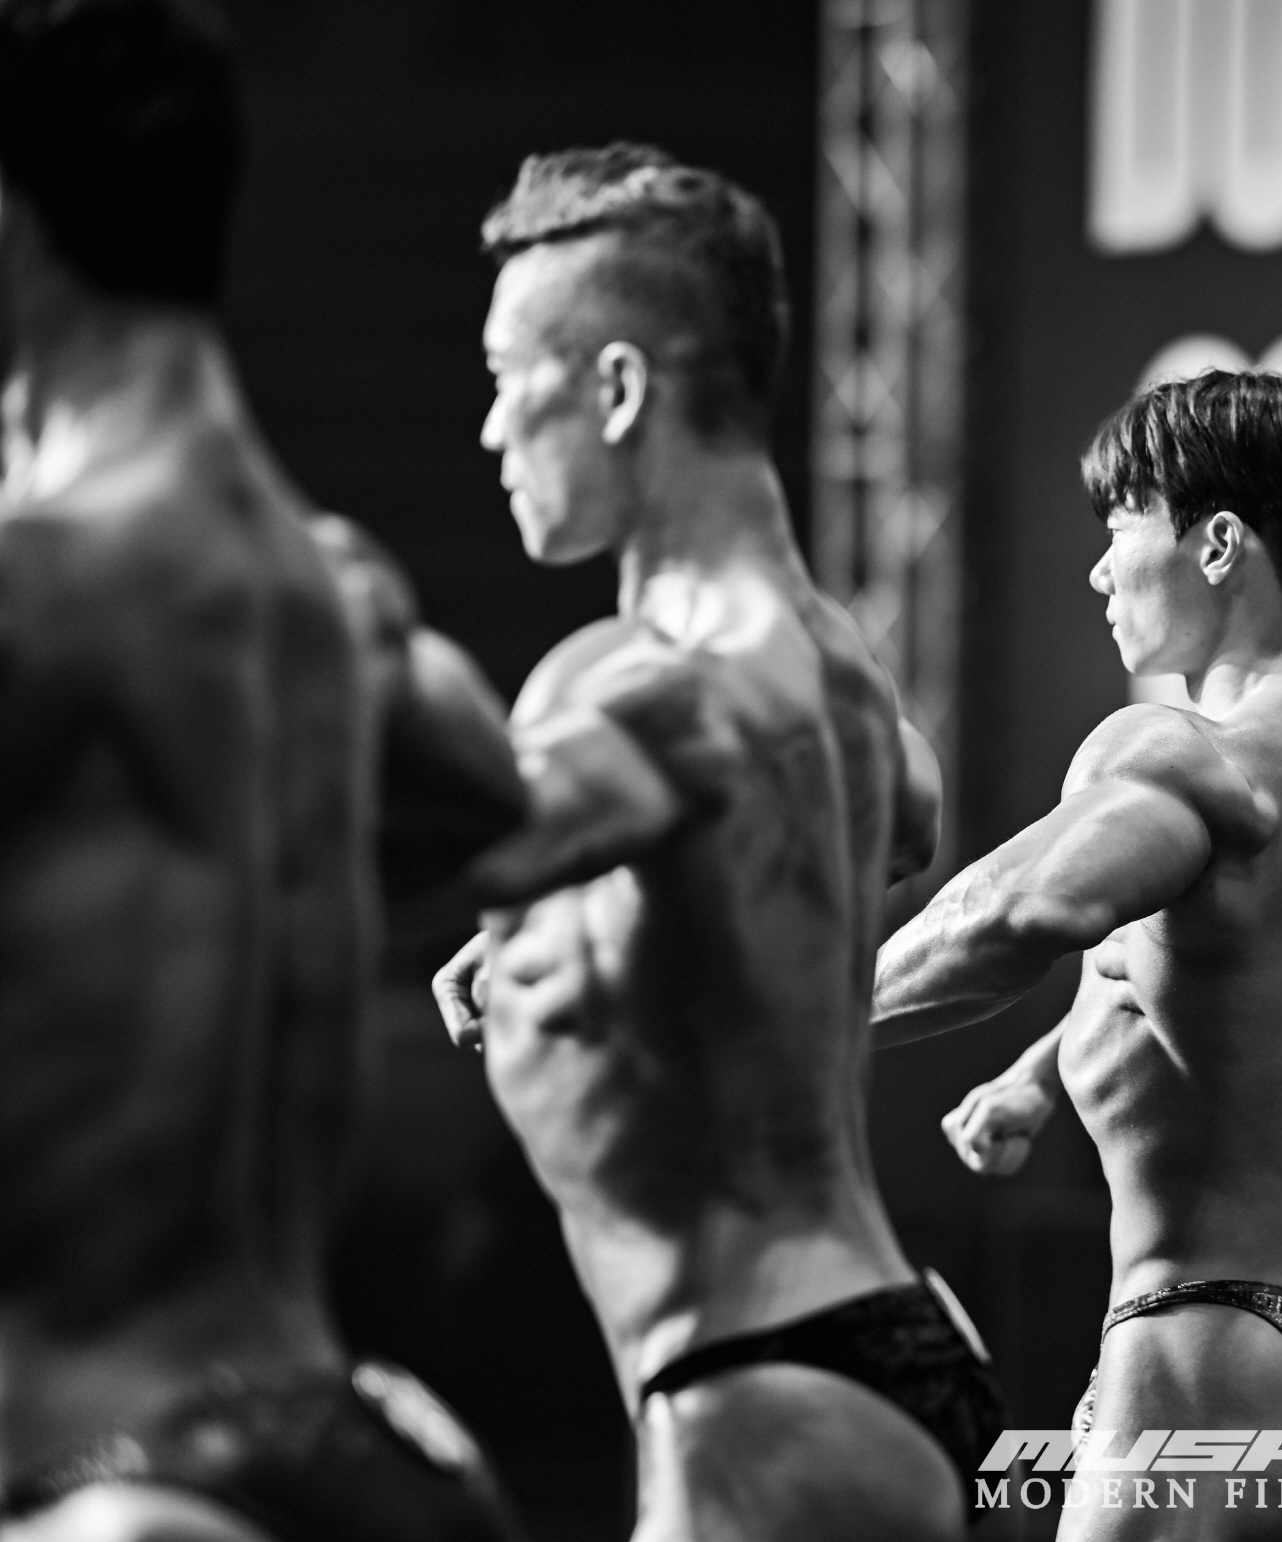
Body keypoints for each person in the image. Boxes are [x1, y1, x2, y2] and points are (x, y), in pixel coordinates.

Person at [0, 3, 531, 1538]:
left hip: (112, 1467)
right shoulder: (337, 596)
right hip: (346, 1440)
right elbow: (494, 809)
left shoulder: (46, 581)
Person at [428, 144, 998, 1542]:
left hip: (762, 1393)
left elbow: (406, 850)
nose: (490, 429)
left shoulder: (667, 681)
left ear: (618, 390)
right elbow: (896, 831)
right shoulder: (843, 680)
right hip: (885, 1347)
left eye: (509, 377)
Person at [886, 369, 1282, 1540]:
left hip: (1203, 1367)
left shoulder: (1192, 756)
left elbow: (1016, 914)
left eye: (1123, 525)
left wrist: (776, 1010)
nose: (1102, 569)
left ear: (1218, 545)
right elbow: (1218, 981)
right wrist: (1037, 1073)